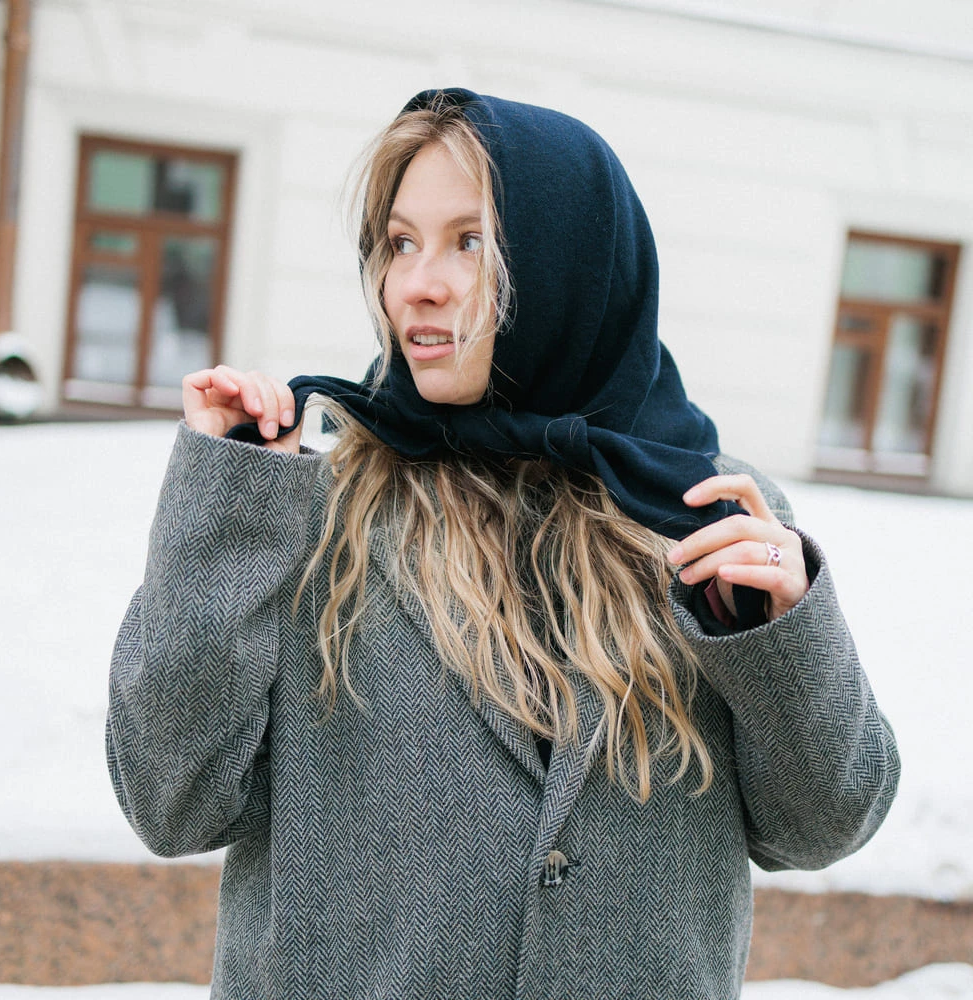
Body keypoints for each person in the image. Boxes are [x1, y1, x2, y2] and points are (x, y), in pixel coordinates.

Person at [106, 88, 899, 999]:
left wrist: (783, 638)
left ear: (570, 260)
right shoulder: (310, 505)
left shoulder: (705, 508)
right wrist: (224, 507)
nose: (417, 283)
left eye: (468, 241)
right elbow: (170, 802)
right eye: (401, 242)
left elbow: (824, 824)